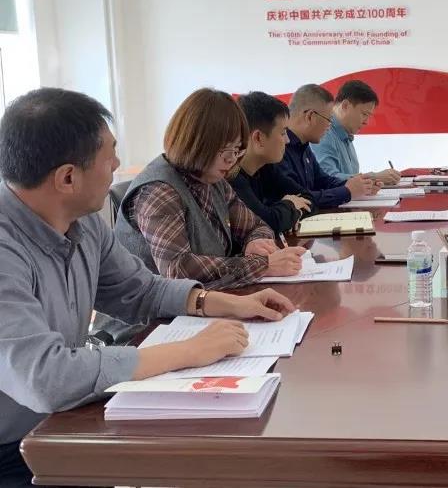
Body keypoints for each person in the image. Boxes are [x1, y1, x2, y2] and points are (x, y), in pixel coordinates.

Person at [0, 89, 297, 487]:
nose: (117, 165)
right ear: (68, 177)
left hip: (65, 421)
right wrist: (188, 351)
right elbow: (46, 378)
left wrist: (221, 303)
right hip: (17, 448)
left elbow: (141, 290)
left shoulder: (81, 222)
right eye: (110, 154)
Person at [115, 88, 306, 290]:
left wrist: (256, 242)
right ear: (196, 142)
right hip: (153, 310)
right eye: (226, 150)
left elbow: (256, 225)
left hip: (206, 300)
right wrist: (262, 266)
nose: (232, 160)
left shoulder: (213, 179)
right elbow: (178, 268)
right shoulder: (158, 191)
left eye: (237, 150)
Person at [278, 84, 380, 209]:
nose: (329, 125)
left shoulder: (304, 147)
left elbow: (324, 181)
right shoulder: (279, 148)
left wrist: (360, 185)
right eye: (329, 119)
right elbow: (301, 198)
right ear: (310, 116)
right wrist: (347, 191)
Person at [231, 91, 316, 235]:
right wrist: (289, 205)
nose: (288, 140)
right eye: (283, 133)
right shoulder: (232, 176)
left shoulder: (266, 167)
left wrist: (289, 213)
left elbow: (309, 199)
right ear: (258, 138)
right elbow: (266, 223)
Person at [310, 80, 401, 185]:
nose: (366, 122)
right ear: (345, 105)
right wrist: (374, 178)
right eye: (364, 114)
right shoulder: (324, 132)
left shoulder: (346, 134)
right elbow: (327, 178)